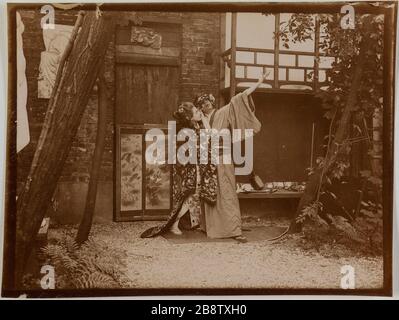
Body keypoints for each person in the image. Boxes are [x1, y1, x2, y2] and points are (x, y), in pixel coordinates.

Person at [193, 72, 268, 243]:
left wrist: (258, 82)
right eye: (202, 104)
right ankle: (210, 226)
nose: (206, 105)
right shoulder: (198, 120)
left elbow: (240, 98)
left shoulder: (223, 112)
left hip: (223, 158)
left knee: (227, 193)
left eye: (208, 102)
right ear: (200, 107)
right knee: (209, 193)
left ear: (212, 102)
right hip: (207, 160)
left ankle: (232, 229)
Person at [140, 102, 218, 238]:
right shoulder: (186, 131)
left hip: (195, 167)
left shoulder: (195, 126)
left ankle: (190, 223)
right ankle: (174, 225)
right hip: (188, 168)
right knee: (188, 196)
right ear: (189, 117)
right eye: (196, 112)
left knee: (193, 196)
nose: (200, 112)